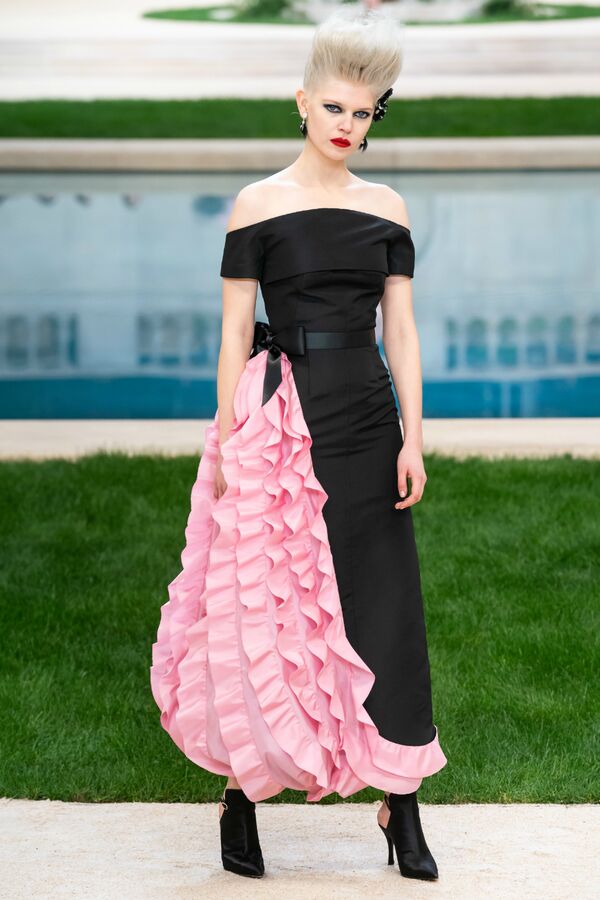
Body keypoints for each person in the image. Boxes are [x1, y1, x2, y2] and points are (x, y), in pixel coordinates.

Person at [150, 6, 447, 882]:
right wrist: (228, 442)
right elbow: (232, 334)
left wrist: (414, 438)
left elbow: (402, 332)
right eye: (334, 108)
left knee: (384, 607)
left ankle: (402, 803)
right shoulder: (259, 204)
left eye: (364, 112)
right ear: (302, 103)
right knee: (261, 606)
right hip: (281, 423)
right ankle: (241, 797)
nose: (348, 125)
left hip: (366, 420)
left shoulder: (386, 208)